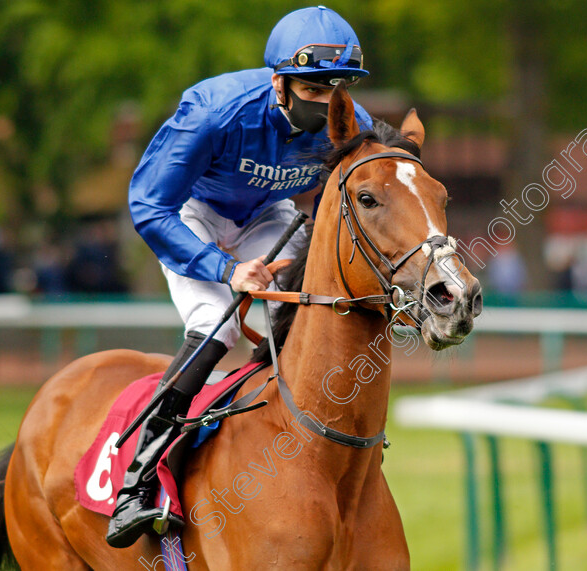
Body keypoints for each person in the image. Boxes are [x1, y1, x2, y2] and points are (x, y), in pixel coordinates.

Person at [107, 6, 373, 548]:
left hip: (268, 217)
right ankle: (137, 481)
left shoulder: (355, 127)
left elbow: (333, 211)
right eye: (315, 89)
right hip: (193, 215)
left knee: (304, 310)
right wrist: (226, 270)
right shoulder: (213, 111)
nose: (330, 104)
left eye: (339, 88)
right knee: (216, 325)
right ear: (279, 82)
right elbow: (149, 206)